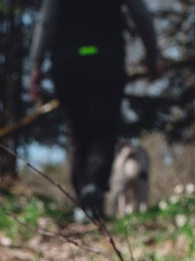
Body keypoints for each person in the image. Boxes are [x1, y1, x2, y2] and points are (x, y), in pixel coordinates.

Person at [28, 0, 161, 222]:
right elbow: (141, 14)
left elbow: (47, 22)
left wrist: (36, 66)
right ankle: (93, 189)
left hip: (68, 63)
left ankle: (84, 199)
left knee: (78, 133)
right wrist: (152, 55)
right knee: (104, 130)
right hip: (106, 59)